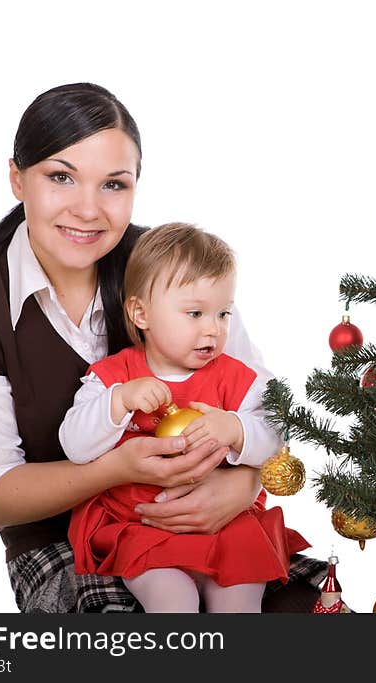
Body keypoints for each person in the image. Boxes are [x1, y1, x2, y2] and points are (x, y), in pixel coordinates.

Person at [0, 82, 326, 612]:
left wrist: (243, 486)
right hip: (63, 546)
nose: (88, 210)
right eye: (61, 177)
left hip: (214, 521)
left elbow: (256, 400)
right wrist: (116, 470)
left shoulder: (168, 265)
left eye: (113, 184)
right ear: (18, 179)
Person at [60, 222, 309, 612]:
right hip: (145, 526)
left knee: (240, 599)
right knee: (173, 602)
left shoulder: (237, 377)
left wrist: (237, 429)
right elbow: (74, 444)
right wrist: (119, 402)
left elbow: (275, 437)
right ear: (141, 313)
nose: (213, 328)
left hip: (226, 524)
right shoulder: (112, 378)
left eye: (223, 313)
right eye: (195, 313)